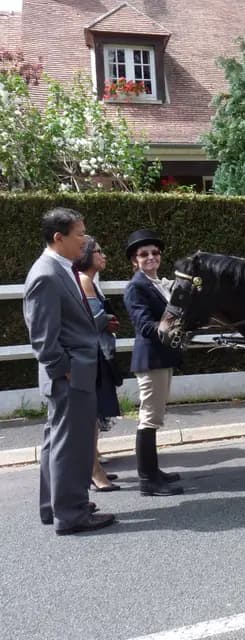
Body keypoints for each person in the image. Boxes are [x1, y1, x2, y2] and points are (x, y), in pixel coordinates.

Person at [22, 207, 117, 535]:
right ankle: (72, 514)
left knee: (57, 442)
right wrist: (66, 372)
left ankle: (57, 507)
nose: (85, 240)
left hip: (72, 373)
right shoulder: (47, 274)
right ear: (58, 237)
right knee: (70, 444)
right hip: (70, 376)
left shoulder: (60, 268)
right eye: (79, 234)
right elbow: (43, 338)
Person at [123, 229, 184, 497]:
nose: (150, 257)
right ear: (134, 260)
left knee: (156, 417)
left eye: (155, 253)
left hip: (162, 357)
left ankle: (154, 471)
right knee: (149, 418)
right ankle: (148, 479)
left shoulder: (157, 283)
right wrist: (172, 328)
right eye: (143, 254)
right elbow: (143, 324)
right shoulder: (136, 286)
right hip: (150, 358)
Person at [74, 236, 122, 492]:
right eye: (99, 251)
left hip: (97, 354)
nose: (104, 255)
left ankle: (96, 466)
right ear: (87, 255)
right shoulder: (83, 280)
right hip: (93, 356)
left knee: (94, 416)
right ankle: (93, 471)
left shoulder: (89, 281)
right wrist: (107, 319)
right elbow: (91, 321)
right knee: (91, 417)